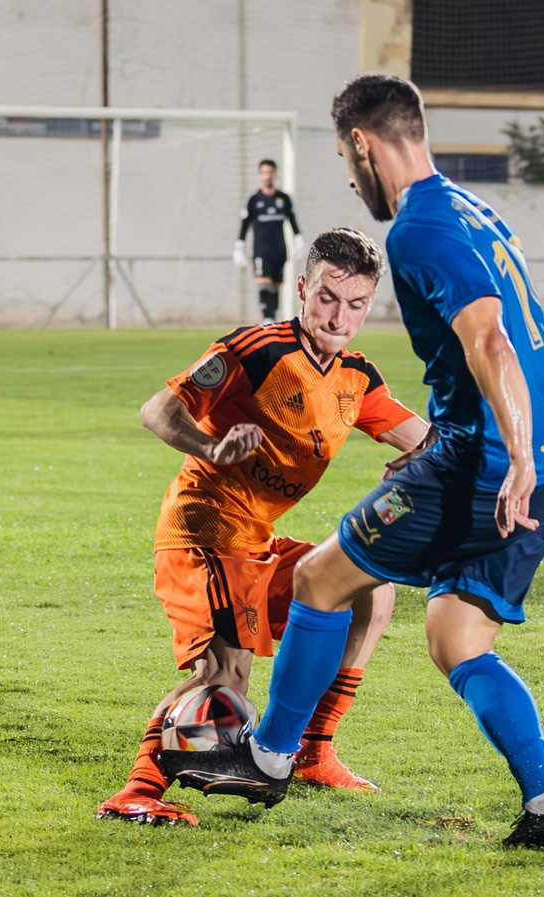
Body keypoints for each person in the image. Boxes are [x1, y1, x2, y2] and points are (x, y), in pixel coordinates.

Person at [163, 75, 544, 850]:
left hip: (492, 455)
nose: (351, 176)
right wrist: (530, 454)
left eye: (343, 156)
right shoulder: (472, 206)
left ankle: (270, 755)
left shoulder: (418, 229)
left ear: (363, 143)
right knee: (457, 637)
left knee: (322, 578)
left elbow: (490, 341)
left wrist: (511, 456)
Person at [100, 227, 428, 826]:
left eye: (356, 304)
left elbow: (430, 441)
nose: (339, 316)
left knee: (370, 590)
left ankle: (313, 750)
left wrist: (445, 455)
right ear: (302, 288)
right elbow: (158, 410)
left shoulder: (357, 377)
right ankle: (137, 791)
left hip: (254, 538)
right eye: (328, 297)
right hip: (202, 528)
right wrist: (211, 445)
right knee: (225, 677)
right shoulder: (255, 348)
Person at [234, 159, 305, 324]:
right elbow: (244, 225)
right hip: (261, 249)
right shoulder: (252, 200)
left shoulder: (284, 199)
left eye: (270, 172)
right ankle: (267, 319)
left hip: (279, 249)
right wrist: (239, 247)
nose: (267, 176)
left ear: (275, 174)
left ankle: (271, 318)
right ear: (260, 175)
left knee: (275, 285)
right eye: (264, 173)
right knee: (263, 283)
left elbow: (293, 222)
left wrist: (299, 241)